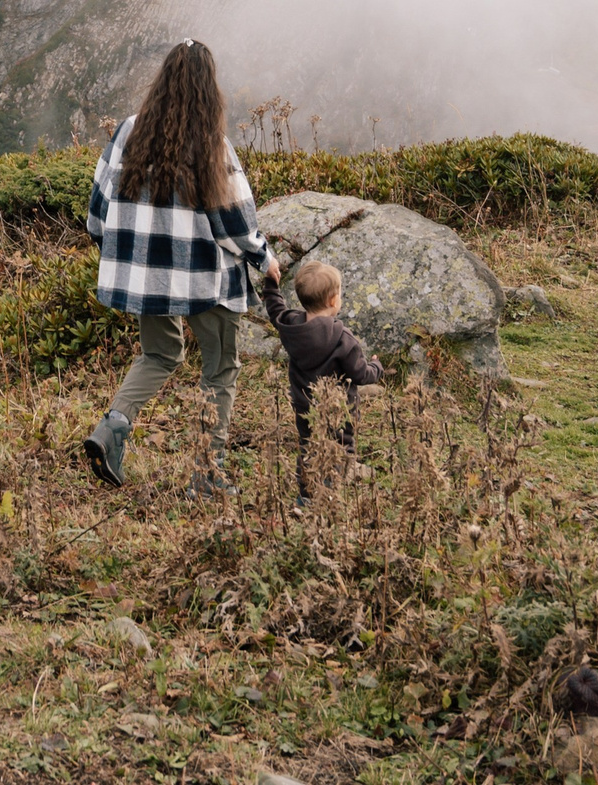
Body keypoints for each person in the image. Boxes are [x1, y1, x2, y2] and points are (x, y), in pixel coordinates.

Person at [80, 39, 271, 496]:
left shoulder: (128, 131)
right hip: (206, 279)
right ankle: (207, 476)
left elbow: (98, 204)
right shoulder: (213, 144)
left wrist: (113, 245)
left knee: (160, 354)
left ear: (162, 81)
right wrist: (264, 257)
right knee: (220, 369)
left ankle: (111, 429)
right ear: (209, 90)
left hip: (148, 276)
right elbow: (235, 223)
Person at [257, 254, 384, 505]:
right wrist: (377, 366)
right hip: (338, 410)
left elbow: (275, 308)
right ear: (333, 300)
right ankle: (327, 498)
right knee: (338, 449)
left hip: (304, 406)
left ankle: (306, 498)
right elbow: (361, 374)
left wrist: (271, 284)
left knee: (308, 446)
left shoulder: (292, 326)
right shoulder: (342, 338)